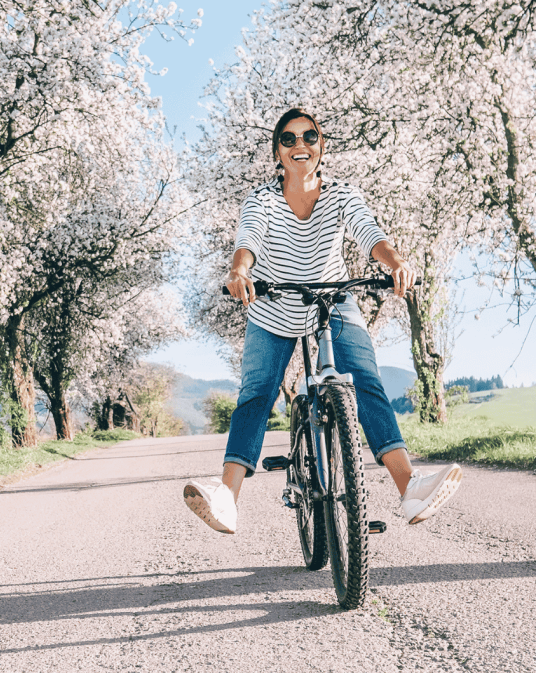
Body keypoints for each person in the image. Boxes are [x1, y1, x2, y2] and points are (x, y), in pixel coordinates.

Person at [183, 108, 463, 534]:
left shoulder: (341, 195)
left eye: (309, 137)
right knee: (256, 395)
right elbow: (248, 241)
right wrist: (240, 272)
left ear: (321, 146)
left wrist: (396, 262)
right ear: (277, 152)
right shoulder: (261, 199)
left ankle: (411, 489)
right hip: (273, 305)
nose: (301, 145)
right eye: (289, 139)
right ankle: (227, 498)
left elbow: (370, 234)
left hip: (331, 302)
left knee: (365, 381)